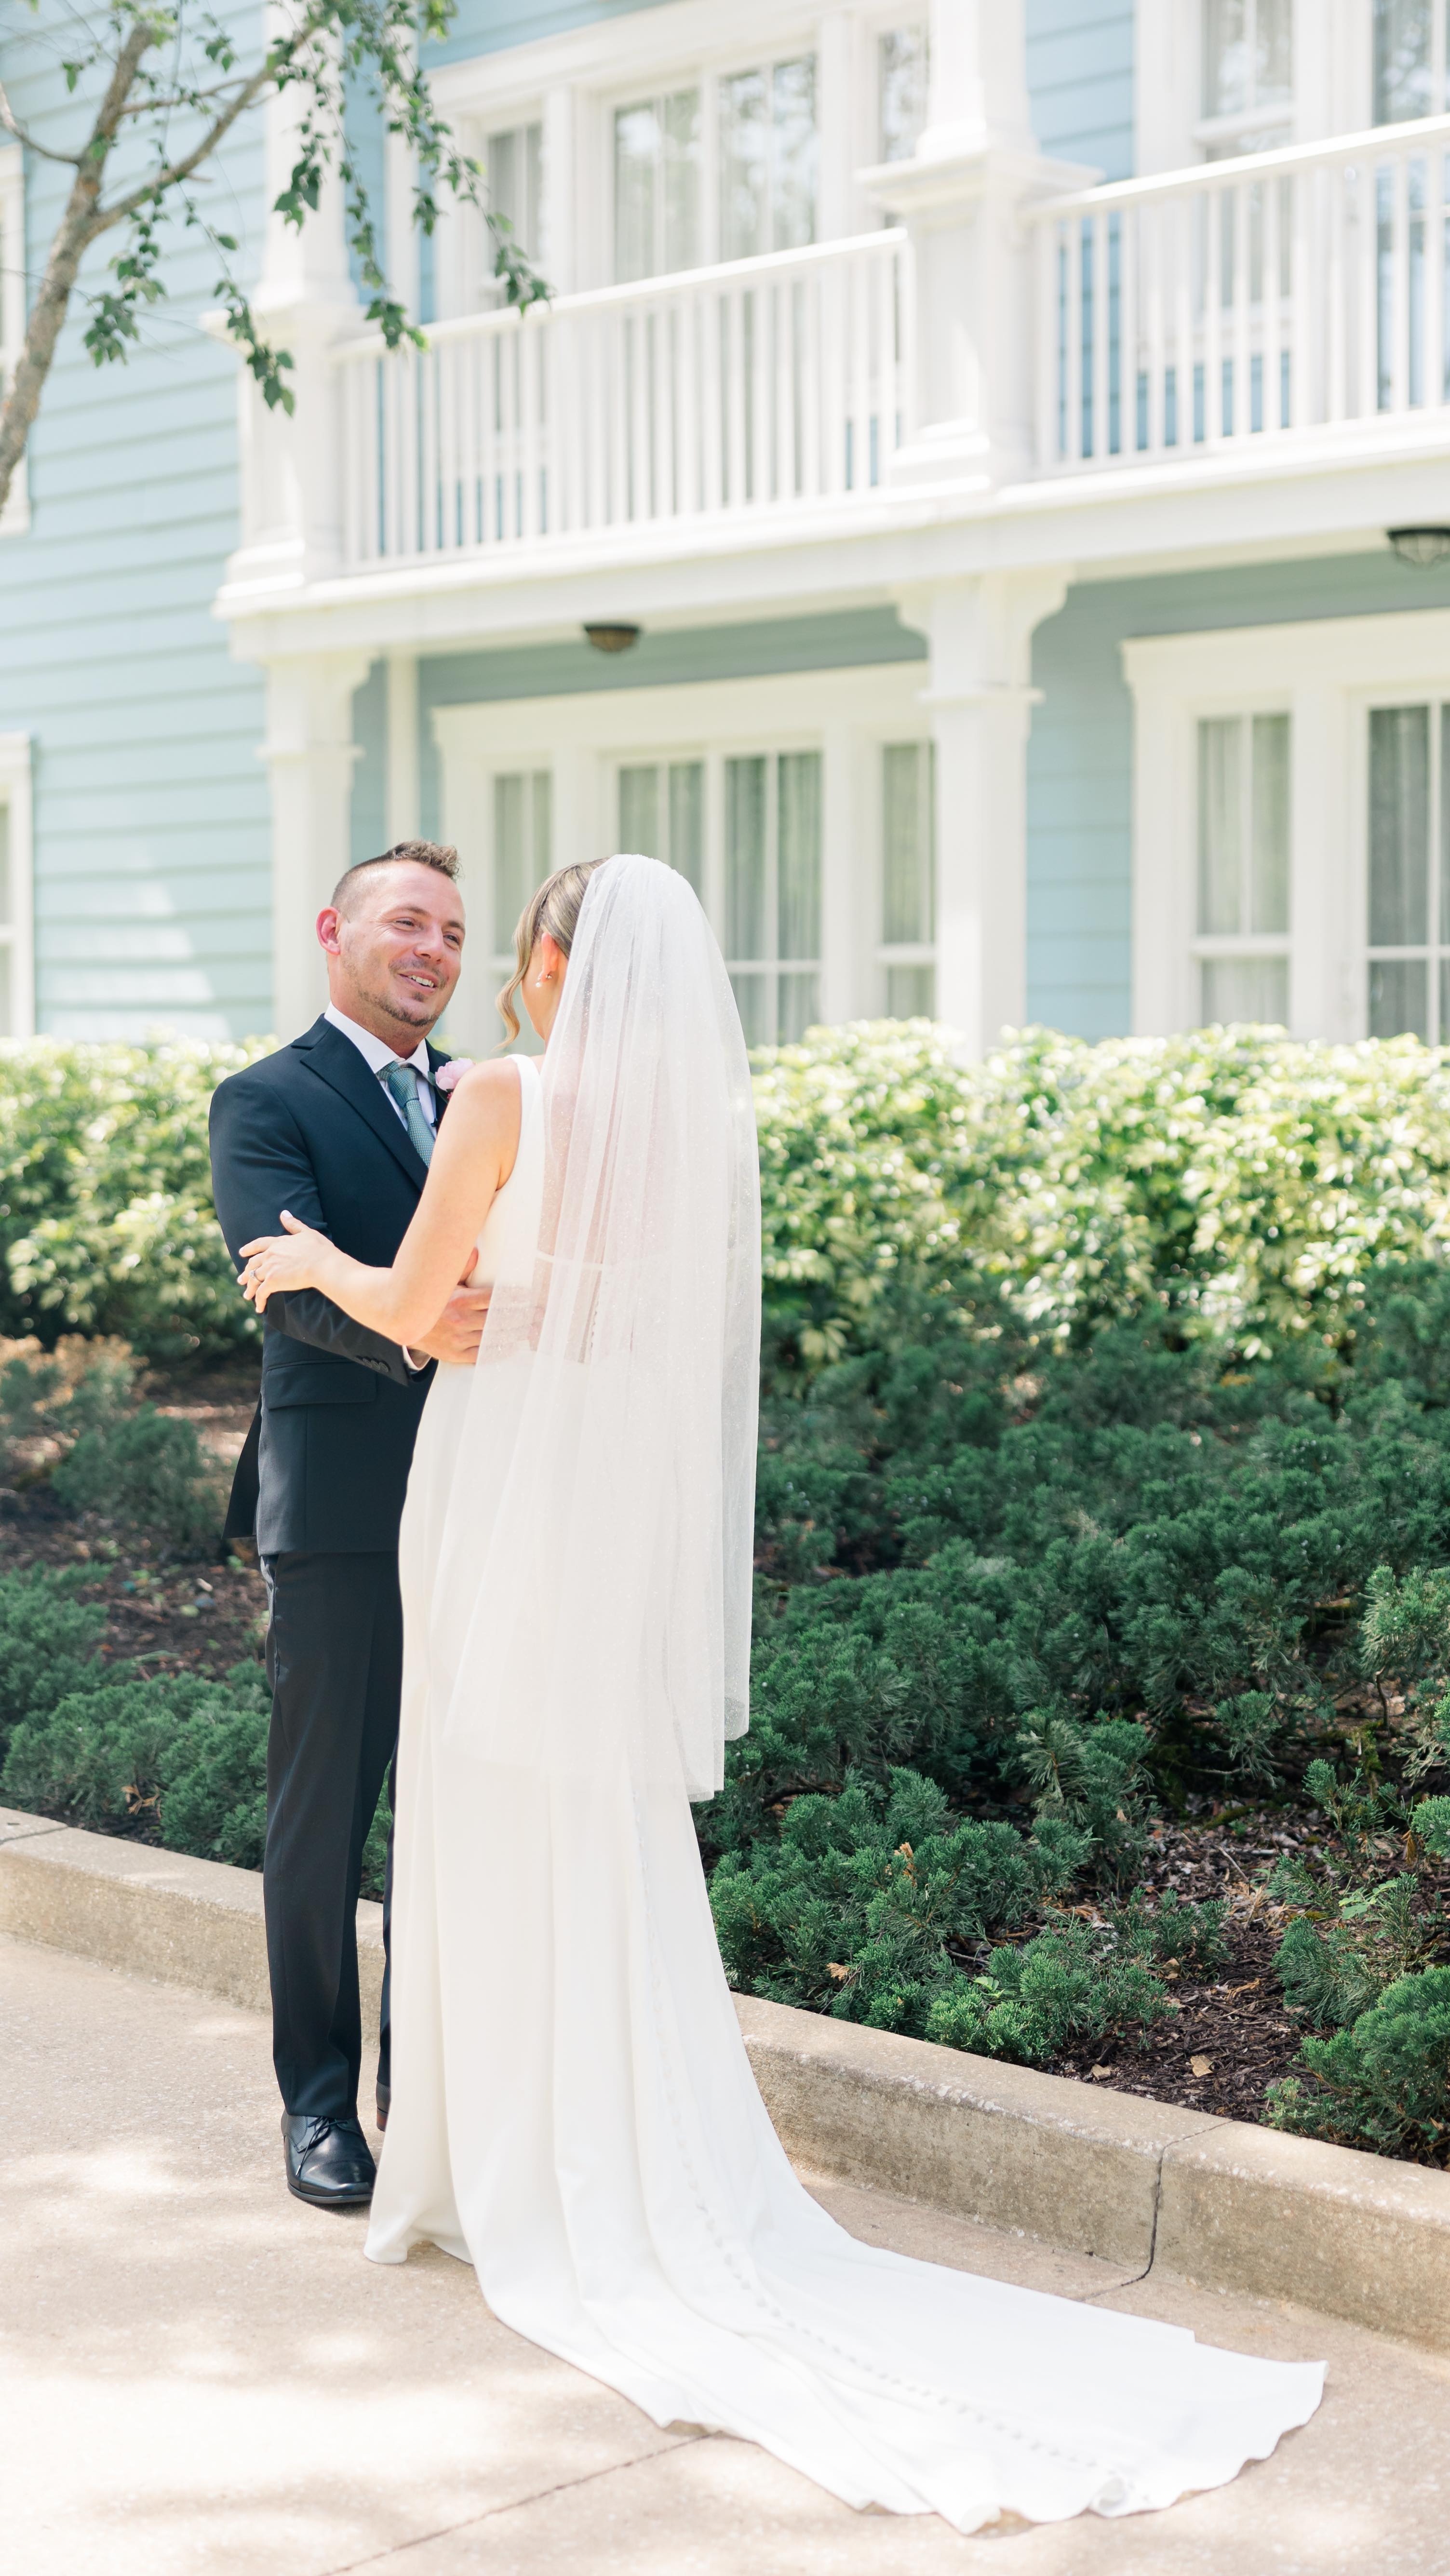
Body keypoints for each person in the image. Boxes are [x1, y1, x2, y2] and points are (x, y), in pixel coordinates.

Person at [234, 853, 1324, 2534]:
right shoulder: (676, 1138)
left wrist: (308, 1263)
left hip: (489, 1493)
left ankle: (494, 2158)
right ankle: (588, 2143)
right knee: (579, 1813)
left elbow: (408, 1306)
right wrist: (481, 1301)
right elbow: (596, 1317)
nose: (463, 960)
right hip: (587, 1520)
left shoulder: (509, 1091)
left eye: (483, 934)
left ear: (544, 955)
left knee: (483, 1804)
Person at [210, 841, 489, 2213]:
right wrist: (426, 1324)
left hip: (491, 1499)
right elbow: (291, 1286)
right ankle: (320, 2105)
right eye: (406, 922)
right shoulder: (266, 1100)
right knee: (326, 1815)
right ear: (337, 933)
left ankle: (424, 2097)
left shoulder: (481, 1096)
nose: (433, 948)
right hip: (338, 1507)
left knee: (457, 1806)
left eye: (451, 929)